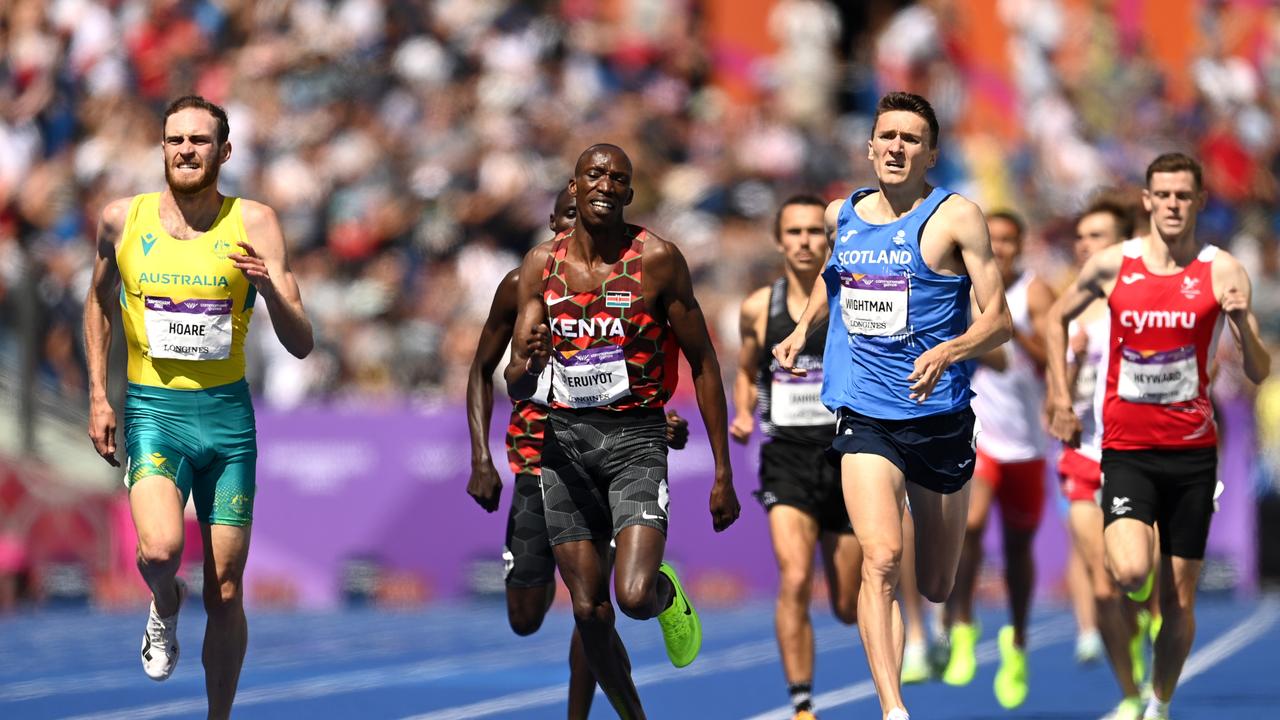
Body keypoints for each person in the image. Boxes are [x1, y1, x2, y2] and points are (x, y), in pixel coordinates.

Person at [774, 91, 1012, 720]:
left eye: (911, 139)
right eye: (887, 136)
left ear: (931, 154)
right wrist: (803, 330)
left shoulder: (956, 217)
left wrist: (951, 351)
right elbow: (835, 276)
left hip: (937, 417)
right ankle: (893, 709)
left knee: (934, 584)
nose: (897, 148)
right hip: (864, 413)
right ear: (870, 146)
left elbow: (1001, 322)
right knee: (880, 558)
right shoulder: (841, 213)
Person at [83, 95, 313, 719]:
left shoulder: (256, 222)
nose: (186, 149)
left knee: (228, 589)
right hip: (155, 412)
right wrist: (101, 395)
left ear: (224, 152)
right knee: (158, 552)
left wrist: (268, 288)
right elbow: (98, 299)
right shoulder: (120, 220)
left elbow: (301, 343)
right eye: (175, 140)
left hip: (228, 421)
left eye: (200, 141)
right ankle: (163, 601)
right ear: (161, 148)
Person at [504, 143, 740, 718]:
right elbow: (514, 380)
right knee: (587, 610)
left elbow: (705, 363)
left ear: (630, 194)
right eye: (595, 174)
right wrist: (528, 365)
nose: (606, 184)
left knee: (631, 597)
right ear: (575, 185)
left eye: (618, 178)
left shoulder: (658, 259)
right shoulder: (541, 265)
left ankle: (666, 594)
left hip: (635, 442)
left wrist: (722, 472)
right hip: (563, 446)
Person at [1046, 153, 1270, 720]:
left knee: (1181, 600)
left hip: (1193, 455)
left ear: (1198, 202)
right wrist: (1056, 391)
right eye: (1162, 195)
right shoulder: (1111, 266)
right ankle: (1137, 599)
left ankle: (1159, 700)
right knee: (1127, 571)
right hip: (1126, 449)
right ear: (1146, 201)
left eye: (1183, 196)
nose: (1172, 205)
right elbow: (1055, 319)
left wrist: (1242, 323)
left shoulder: (1223, 271)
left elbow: (1261, 371)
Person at [464, 189, 690, 719]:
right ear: (551, 223)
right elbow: (482, 369)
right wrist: (481, 456)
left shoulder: (623, 279)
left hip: (606, 457)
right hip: (535, 458)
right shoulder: (525, 283)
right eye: (568, 220)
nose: (579, 232)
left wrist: (658, 418)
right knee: (526, 614)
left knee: (590, 606)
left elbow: (636, 368)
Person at [941, 210, 1055, 709]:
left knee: (1017, 551)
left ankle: (1018, 642)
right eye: (996, 241)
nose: (1002, 249)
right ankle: (962, 625)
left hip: (1027, 443)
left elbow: (1051, 357)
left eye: (1011, 241)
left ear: (1022, 246)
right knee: (971, 524)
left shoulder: (1034, 293)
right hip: (978, 435)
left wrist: (1001, 326)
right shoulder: (962, 291)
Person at [1054, 196, 1154, 719]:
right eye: (1081, 237)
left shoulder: (1147, 298)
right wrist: (1064, 382)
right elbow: (1062, 394)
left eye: (1098, 236)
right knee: (1102, 583)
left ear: (1123, 242)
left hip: (1139, 454)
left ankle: (1150, 620)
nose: (1085, 245)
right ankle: (1130, 695)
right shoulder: (1071, 307)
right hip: (1085, 455)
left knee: (1135, 574)